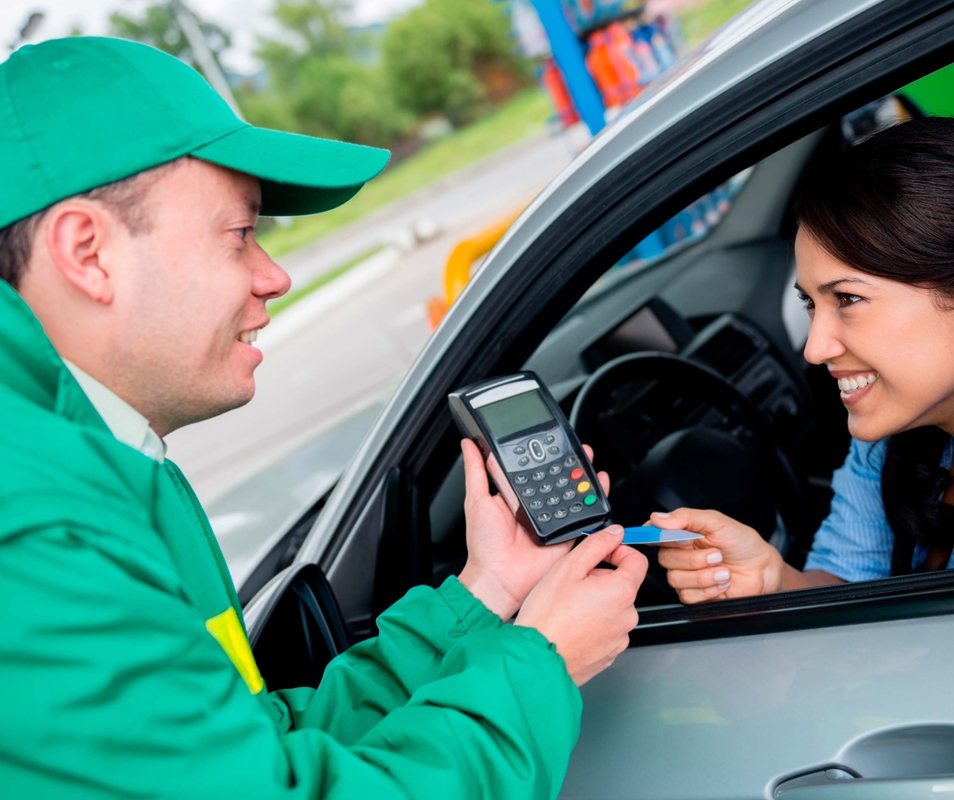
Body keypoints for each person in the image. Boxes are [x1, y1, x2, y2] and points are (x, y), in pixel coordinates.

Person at [0, 37, 648, 797]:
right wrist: (541, 662)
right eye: (240, 235)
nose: (274, 276)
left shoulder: (104, 465)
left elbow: (259, 757)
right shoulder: (35, 526)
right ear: (89, 254)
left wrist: (485, 595)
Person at [654, 116, 954, 604]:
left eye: (849, 300)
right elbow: (850, 585)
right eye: (811, 304)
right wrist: (773, 581)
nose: (816, 349)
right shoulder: (891, 446)